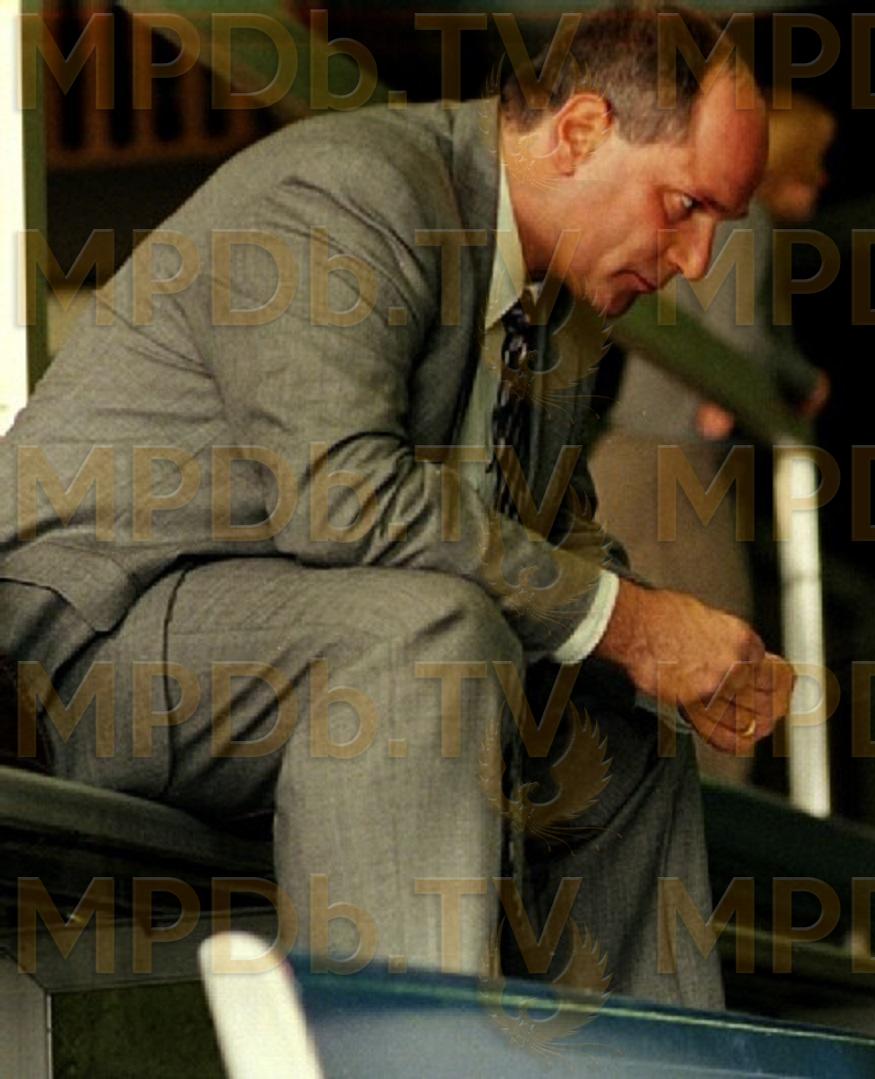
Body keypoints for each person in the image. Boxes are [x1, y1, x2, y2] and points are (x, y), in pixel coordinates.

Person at [0, 5, 790, 1006]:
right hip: (85, 650)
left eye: (721, 224)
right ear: (581, 131)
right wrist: (634, 623)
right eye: (685, 205)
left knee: (622, 731)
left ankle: (644, 1067)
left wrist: (680, 643)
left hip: (295, 641)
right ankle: (408, 1050)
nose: (699, 262)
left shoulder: (561, 311)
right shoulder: (353, 190)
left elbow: (556, 536)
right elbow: (342, 498)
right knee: (432, 635)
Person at [589, 94, 836, 783]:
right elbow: (739, 342)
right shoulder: (740, 220)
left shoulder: (706, 220)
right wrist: (797, 381)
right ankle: (709, 837)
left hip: (632, 457)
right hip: (664, 460)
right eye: (814, 162)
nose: (821, 179)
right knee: (731, 663)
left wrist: (788, 371)